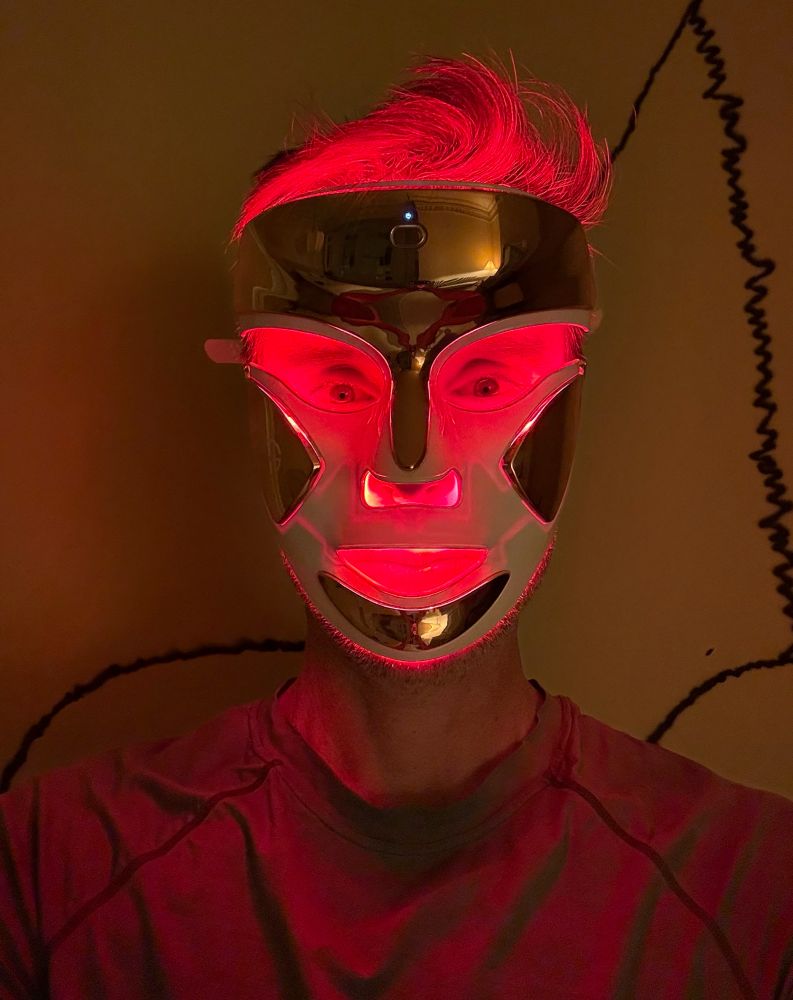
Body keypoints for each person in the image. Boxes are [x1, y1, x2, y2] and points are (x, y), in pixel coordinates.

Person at [1, 54, 791, 1000]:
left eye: (485, 381)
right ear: (253, 398)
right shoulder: (49, 871)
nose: (407, 467)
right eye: (338, 385)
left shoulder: (757, 895)